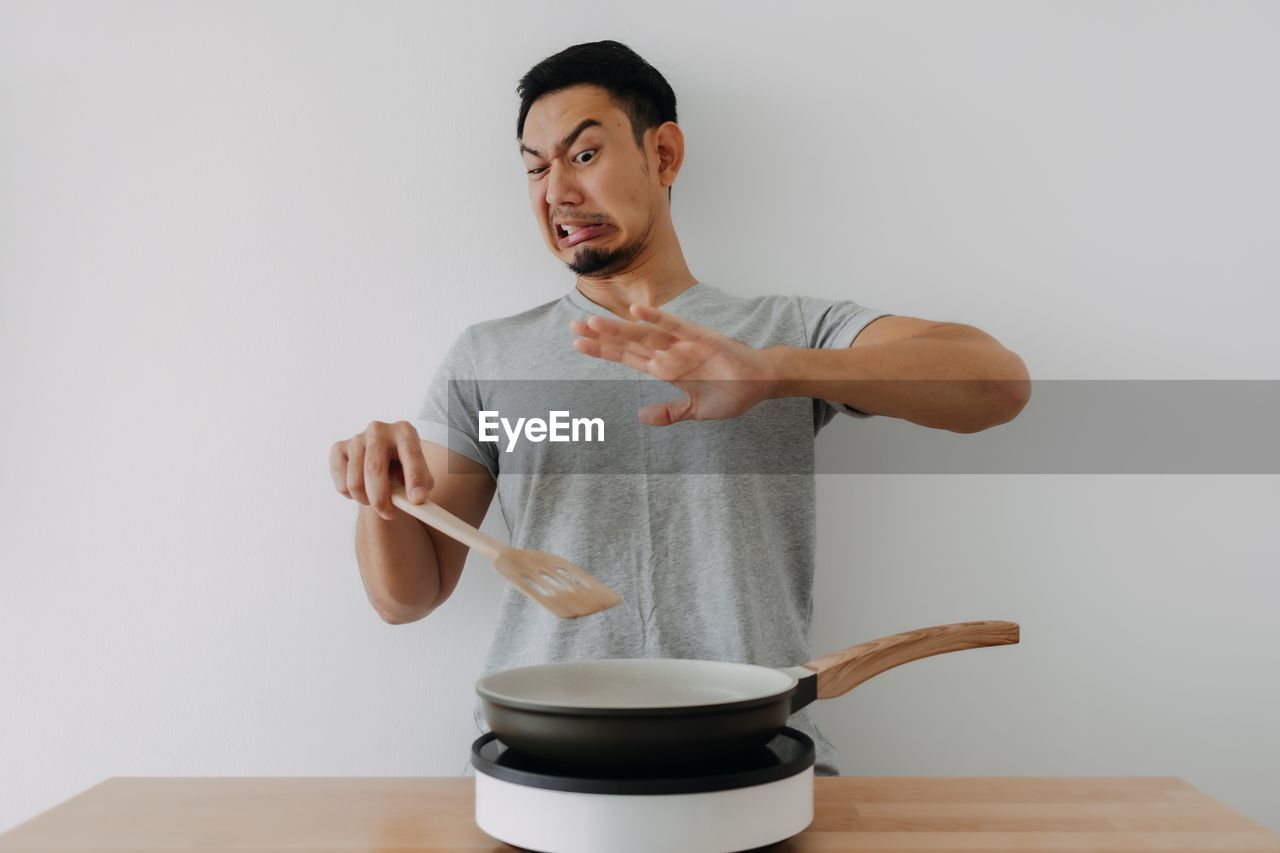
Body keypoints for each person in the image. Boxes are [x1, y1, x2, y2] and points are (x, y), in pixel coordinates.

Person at [329, 40, 1030, 776]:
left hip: (754, 755)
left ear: (663, 154)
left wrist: (778, 373)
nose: (556, 191)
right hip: (549, 762)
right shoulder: (488, 356)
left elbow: (996, 384)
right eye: (536, 167)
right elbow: (404, 597)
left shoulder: (785, 330)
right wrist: (381, 492)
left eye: (585, 154)